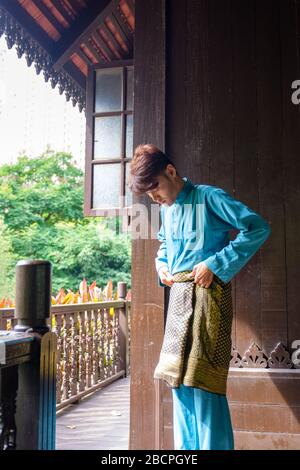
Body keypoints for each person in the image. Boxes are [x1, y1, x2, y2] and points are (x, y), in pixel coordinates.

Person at [128, 143, 271, 450]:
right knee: (178, 382)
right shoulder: (168, 211)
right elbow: (165, 245)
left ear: (170, 171)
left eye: (156, 188)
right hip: (178, 301)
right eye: (149, 195)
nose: (155, 198)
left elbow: (257, 227)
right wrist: (161, 264)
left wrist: (216, 264)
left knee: (203, 385)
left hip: (208, 298)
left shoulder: (209, 197)